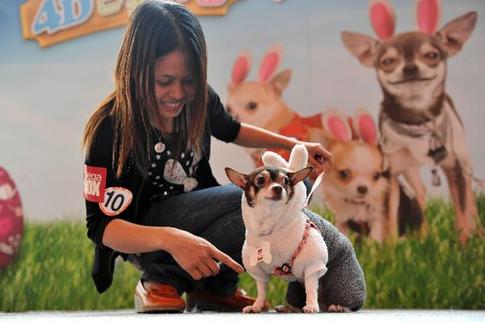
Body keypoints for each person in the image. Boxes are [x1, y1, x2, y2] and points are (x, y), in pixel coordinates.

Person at [82, 0, 365, 313]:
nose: (178, 93)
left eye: (188, 80)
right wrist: (173, 239)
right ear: (135, 71)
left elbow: (232, 129)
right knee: (247, 200)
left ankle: (215, 287)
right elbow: (101, 227)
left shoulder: (198, 99)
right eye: (165, 82)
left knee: (295, 188)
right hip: (149, 240)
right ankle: (160, 279)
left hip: (194, 217)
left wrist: (293, 143)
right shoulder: (111, 129)